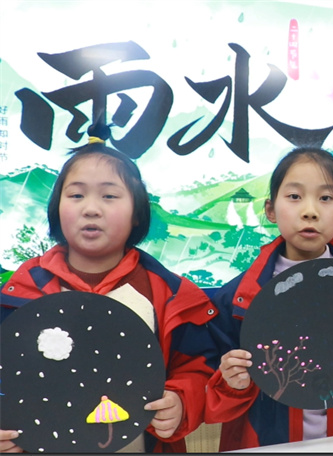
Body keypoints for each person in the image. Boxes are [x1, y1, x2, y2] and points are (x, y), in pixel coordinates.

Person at [0, 123, 218, 453]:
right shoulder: (20, 292)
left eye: (109, 196)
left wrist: (181, 401)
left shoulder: (167, 293)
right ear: (56, 208)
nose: (91, 208)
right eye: (76, 195)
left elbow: (199, 368)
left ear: (137, 213)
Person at [204, 147, 333, 451]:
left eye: (325, 198)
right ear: (270, 210)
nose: (310, 211)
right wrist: (232, 383)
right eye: (294, 196)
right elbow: (214, 408)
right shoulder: (236, 301)